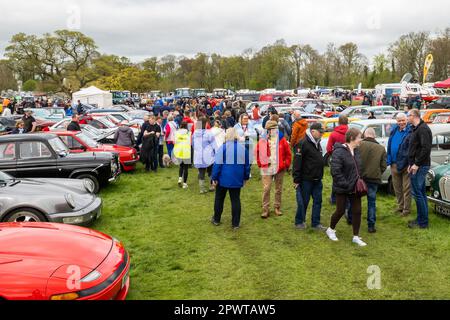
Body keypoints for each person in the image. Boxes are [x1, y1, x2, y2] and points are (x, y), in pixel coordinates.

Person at [326, 128, 367, 247]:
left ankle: (355, 236)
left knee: (357, 211)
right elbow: (335, 171)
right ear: (352, 138)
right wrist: (346, 184)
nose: (361, 140)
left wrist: (359, 180)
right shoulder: (339, 152)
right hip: (342, 187)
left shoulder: (357, 151)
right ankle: (331, 229)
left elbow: (358, 168)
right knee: (340, 210)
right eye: (359, 137)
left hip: (355, 187)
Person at [211, 128, 251, 230]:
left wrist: (214, 177)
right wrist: (246, 177)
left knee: (219, 198)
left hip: (223, 178)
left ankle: (216, 219)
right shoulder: (243, 148)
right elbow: (247, 165)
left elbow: (217, 164)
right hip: (236, 178)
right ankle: (235, 223)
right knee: (235, 199)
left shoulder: (223, 148)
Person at [293, 123, 326, 230]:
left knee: (318, 201)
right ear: (312, 131)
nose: (321, 134)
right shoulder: (302, 143)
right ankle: (299, 222)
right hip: (306, 180)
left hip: (317, 179)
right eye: (320, 132)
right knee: (304, 201)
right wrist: (296, 179)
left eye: (322, 132)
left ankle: (316, 223)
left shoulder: (318, 143)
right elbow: (297, 163)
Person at [256, 120, 292, 218]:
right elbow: (258, 153)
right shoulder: (263, 140)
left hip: (279, 168)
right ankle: (265, 209)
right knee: (266, 188)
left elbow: (288, 153)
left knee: (278, 189)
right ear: (267, 130)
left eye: (274, 129)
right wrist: (260, 164)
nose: (273, 131)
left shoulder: (282, 139)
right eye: (270, 129)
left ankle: (277, 207)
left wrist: (285, 164)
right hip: (266, 168)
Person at [407, 109, 432, 229]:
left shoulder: (423, 129)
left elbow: (425, 149)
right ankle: (421, 219)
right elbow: (414, 148)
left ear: (414, 116)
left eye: (408, 115)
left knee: (418, 194)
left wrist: (416, 164)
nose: (407, 117)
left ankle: (423, 223)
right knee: (420, 193)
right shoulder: (416, 128)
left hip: (421, 166)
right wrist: (410, 164)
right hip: (415, 165)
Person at [359, 128, 387, 233]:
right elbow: (384, 165)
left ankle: (351, 218)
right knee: (371, 202)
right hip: (374, 179)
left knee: (355, 199)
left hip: (360, 178)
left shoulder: (359, 145)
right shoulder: (381, 148)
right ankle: (371, 225)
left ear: (365, 135)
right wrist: (378, 173)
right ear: (374, 136)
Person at [386, 113, 412, 217]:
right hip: (394, 164)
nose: (401, 122)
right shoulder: (394, 130)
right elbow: (389, 145)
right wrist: (389, 159)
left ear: (407, 120)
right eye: (399, 121)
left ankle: (406, 210)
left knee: (406, 188)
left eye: (403, 120)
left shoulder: (410, 131)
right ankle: (400, 206)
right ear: (396, 121)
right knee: (397, 188)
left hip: (405, 165)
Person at [193, 117, 216, 194]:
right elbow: (214, 145)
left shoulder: (195, 134)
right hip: (208, 155)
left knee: (201, 172)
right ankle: (211, 185)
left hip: (198, 155)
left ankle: (202, 188)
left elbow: (193, 144)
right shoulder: (209, 133)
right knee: (210, 171)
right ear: (206, 124)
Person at [173, 122, 191, 189]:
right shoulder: (189, 133)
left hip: (179, 151)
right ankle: (185, 183)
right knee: (186, 168)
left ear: (180, 125)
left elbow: (174, 141)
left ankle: (180, 178)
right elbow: (190, 143)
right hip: (186, 151)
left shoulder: (176, 132)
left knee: (181, 166)